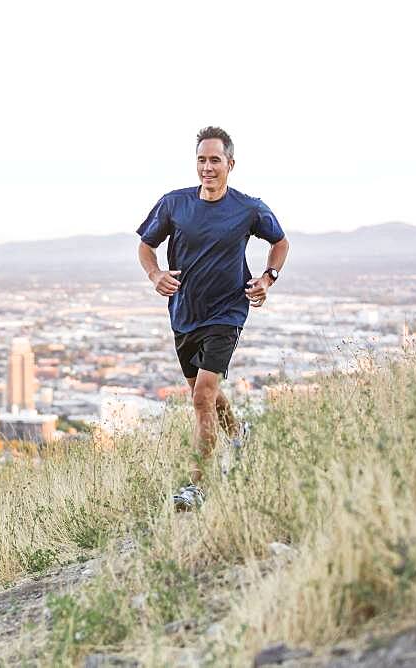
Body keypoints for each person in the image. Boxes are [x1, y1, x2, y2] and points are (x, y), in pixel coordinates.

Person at [136, 126, 289, 509]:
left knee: (202, 397)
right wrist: (156, 275)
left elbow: (280, 242)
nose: (207, 167)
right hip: (185, 314)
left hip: (227, 311)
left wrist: (268, 278)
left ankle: (197, 486)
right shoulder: (174, 204)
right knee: (204, 395)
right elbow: (145, 246)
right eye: (202, 160)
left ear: (230, 164)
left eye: (215, 160)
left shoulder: (248, 208)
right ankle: (238, 434)